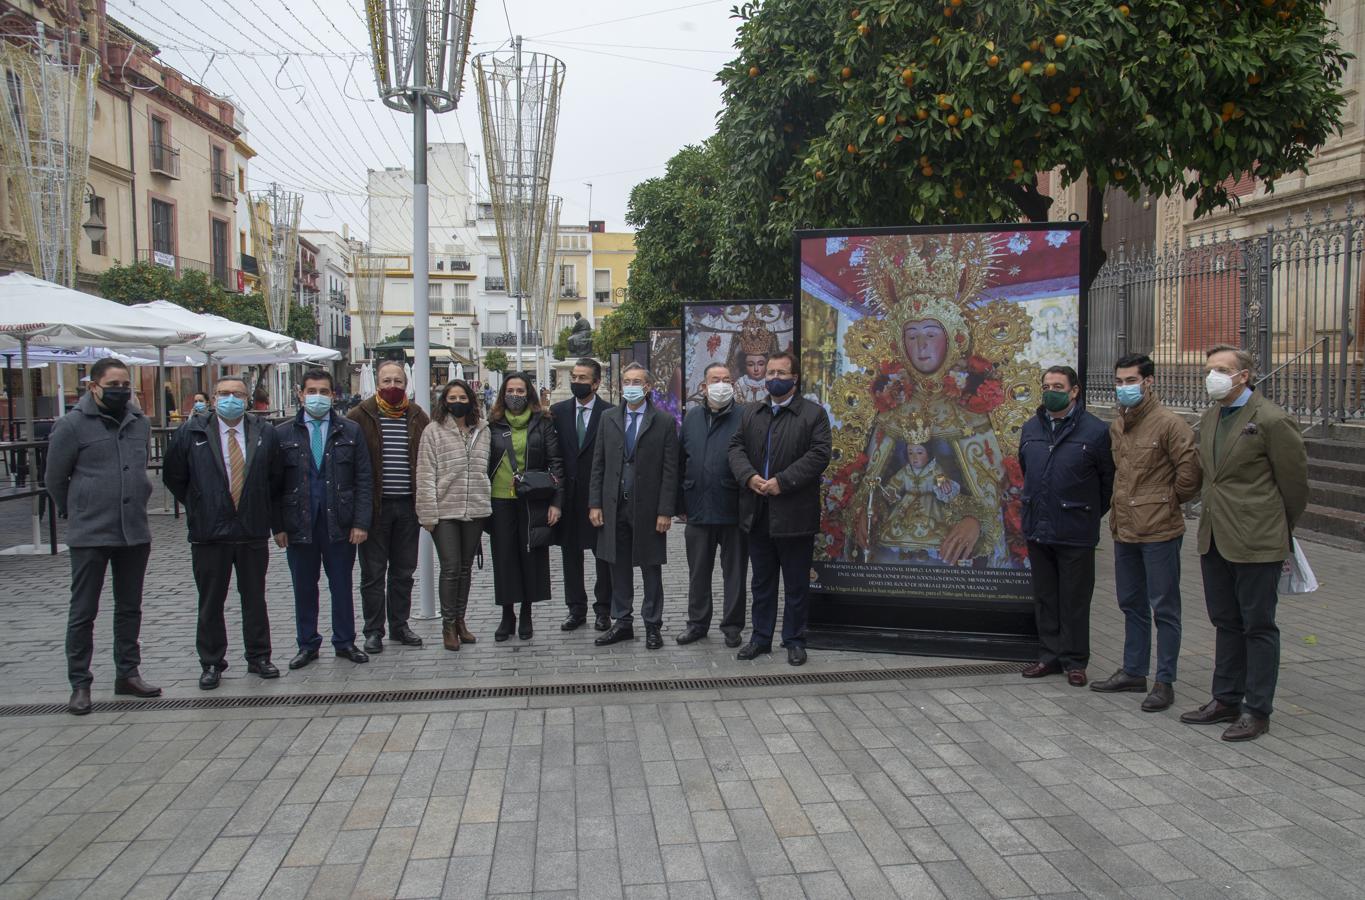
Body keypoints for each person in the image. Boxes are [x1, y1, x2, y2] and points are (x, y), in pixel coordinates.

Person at [1180, 345, 1308, 741]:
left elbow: (1294, 486)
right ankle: (1225, 698)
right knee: (1225, 621)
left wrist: (1274, 527)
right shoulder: (1212, 415)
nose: (1212, 376)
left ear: (1244, 376)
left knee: (1258, 625)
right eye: (1209, 369)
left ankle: (1257, 709)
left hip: (1257, 539)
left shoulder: (1271, 419)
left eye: (1221, 369)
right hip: (1215, 537)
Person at [46, 358, 160, 715]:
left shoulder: (139, 423)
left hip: (133, 530)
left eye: (126, 384)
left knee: (129, 607)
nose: (121, 390)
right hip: (90, 532)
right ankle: (80, 682)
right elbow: (55, 479)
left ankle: (128, 673)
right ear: (93, 386)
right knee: (83, 610)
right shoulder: (71, 425)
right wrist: (79, 508)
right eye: (113, 385)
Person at [1091, 354, 1201, 711]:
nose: (1124, 388)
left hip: (1159, 532)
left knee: (1164, 608)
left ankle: (1164, 681)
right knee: (1130, 603)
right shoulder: (1118, 424)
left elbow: (1190, 476)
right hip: (1124, 529)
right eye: (1119, 382)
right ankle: (1133, 671)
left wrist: (1165, 502)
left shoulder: (1170, 424)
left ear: (1148, 381)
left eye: (1131, 381)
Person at [163, 375, 284, 689]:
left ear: (246, 400)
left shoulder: (264, 433)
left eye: (238, 394)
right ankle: (212, 662)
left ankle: (259, 656)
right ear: (213, 399)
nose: (231, 399)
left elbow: (276, 477)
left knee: (255, 598)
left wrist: (263, 509)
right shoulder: (191, 432)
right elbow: (175, 476)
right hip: (210, 531)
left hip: (251, 529)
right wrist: (199, 501)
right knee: (211, 601)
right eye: (224, 394)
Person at [727, 351, 831, 666]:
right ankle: (760, 639)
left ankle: (795, 641)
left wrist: (781, 482)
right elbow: (735, 448)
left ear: (795, 378)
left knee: (796, 583)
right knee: (762, 582)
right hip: (758, 513)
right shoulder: (752, 413)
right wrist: (750, 477)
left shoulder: (813, 414)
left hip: (795, 514)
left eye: (781, 372)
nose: (773, 377)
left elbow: (819, 455)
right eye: (770, 371)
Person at [1018, 365, 1115, 687]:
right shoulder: (1031, 428)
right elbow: (1026, 469)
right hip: (1038, 525)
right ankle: (1049, 655)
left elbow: (1106, 482)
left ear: (1074, 391)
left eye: (1058, 385)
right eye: (1046, 385)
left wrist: (1085, 512)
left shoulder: (1095, 430)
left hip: (1075, 527)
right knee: (1046, 596)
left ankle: (1075, 660)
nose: (1050, 391)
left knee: (1074, 598)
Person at [273, 369, 373, 670]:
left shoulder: (350, 431)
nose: (318, 396)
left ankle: (344, 641)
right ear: (300, 394)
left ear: (333, 396)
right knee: (304, 586)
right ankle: (307, 644)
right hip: (299, 523)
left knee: (341, 584)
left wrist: (361, 522)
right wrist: (277, 525)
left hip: (339, 522)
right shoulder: (282, 433)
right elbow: (273, 485)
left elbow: (364, 479)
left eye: (324, 391)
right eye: (312, 391)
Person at [590, 363, 680, 649]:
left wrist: (666, 510)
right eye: (626, 380)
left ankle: (653, 625)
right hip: (614, 506)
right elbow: (598, 464)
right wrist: (595, 504)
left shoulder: (664, 422)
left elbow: (670, 471)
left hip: (649, 510)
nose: (631, 385)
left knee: (650, 568)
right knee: (618, 567)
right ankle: (622, 622)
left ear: (648, 387)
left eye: (637, 381)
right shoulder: (608, 418)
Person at [348, 360, 430, 653]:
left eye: (397, 381)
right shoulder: (359, 416)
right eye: (386, 381)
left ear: (405, 384)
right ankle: (373, 630)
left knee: (404, 571)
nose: (392, 387)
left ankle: (399, 625)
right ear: (378, 384)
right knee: (372, 573)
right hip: (374, 508)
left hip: (408, 506)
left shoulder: (418, 416)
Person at [486, 373, 564, 640]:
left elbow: (556, 463)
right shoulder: (492, 424)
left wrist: (556, 502)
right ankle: (507, 614)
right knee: (505, 557)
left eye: (520, 391)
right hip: (500, 500)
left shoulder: (542, 422)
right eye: (511, 390)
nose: (515, 395)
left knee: (531, 554)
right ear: (502, 394)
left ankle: (527, 611)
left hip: (534, 499)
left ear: (528, 394)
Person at [676, 362, 748, 648]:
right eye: (715, 379)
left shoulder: (746, 417)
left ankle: (732, 626)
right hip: (698, 509)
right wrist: (679, 503)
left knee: (735, 574)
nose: (722, 384)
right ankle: (697, 624)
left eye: (727, 379)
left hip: (734, 510)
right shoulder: (692, 418)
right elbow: (682, 462)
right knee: (698, 573)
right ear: (703, 387)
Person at [416, 378, 490, 650]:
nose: (457, 402)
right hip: (445, 509)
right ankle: (448, 625)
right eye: (452, 398)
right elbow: (424, 474)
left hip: (476, 508)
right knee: (450, 568)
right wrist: (427, 513)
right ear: (444, 401)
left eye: (462, 398)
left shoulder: (482, 429)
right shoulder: (433, 431)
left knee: (465, 568)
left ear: (471, 400)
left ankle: (460, 620)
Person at [550, 358, 614, 632]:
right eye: (574, 377)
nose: (576, 382)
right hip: (568, 498)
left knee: (603, 556)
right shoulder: (557, 411)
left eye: (583, 378)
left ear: (596, 383)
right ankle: (575, 609)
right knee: (570, 556)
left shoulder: (610, 413)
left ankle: (604, 610)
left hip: (598, 497)